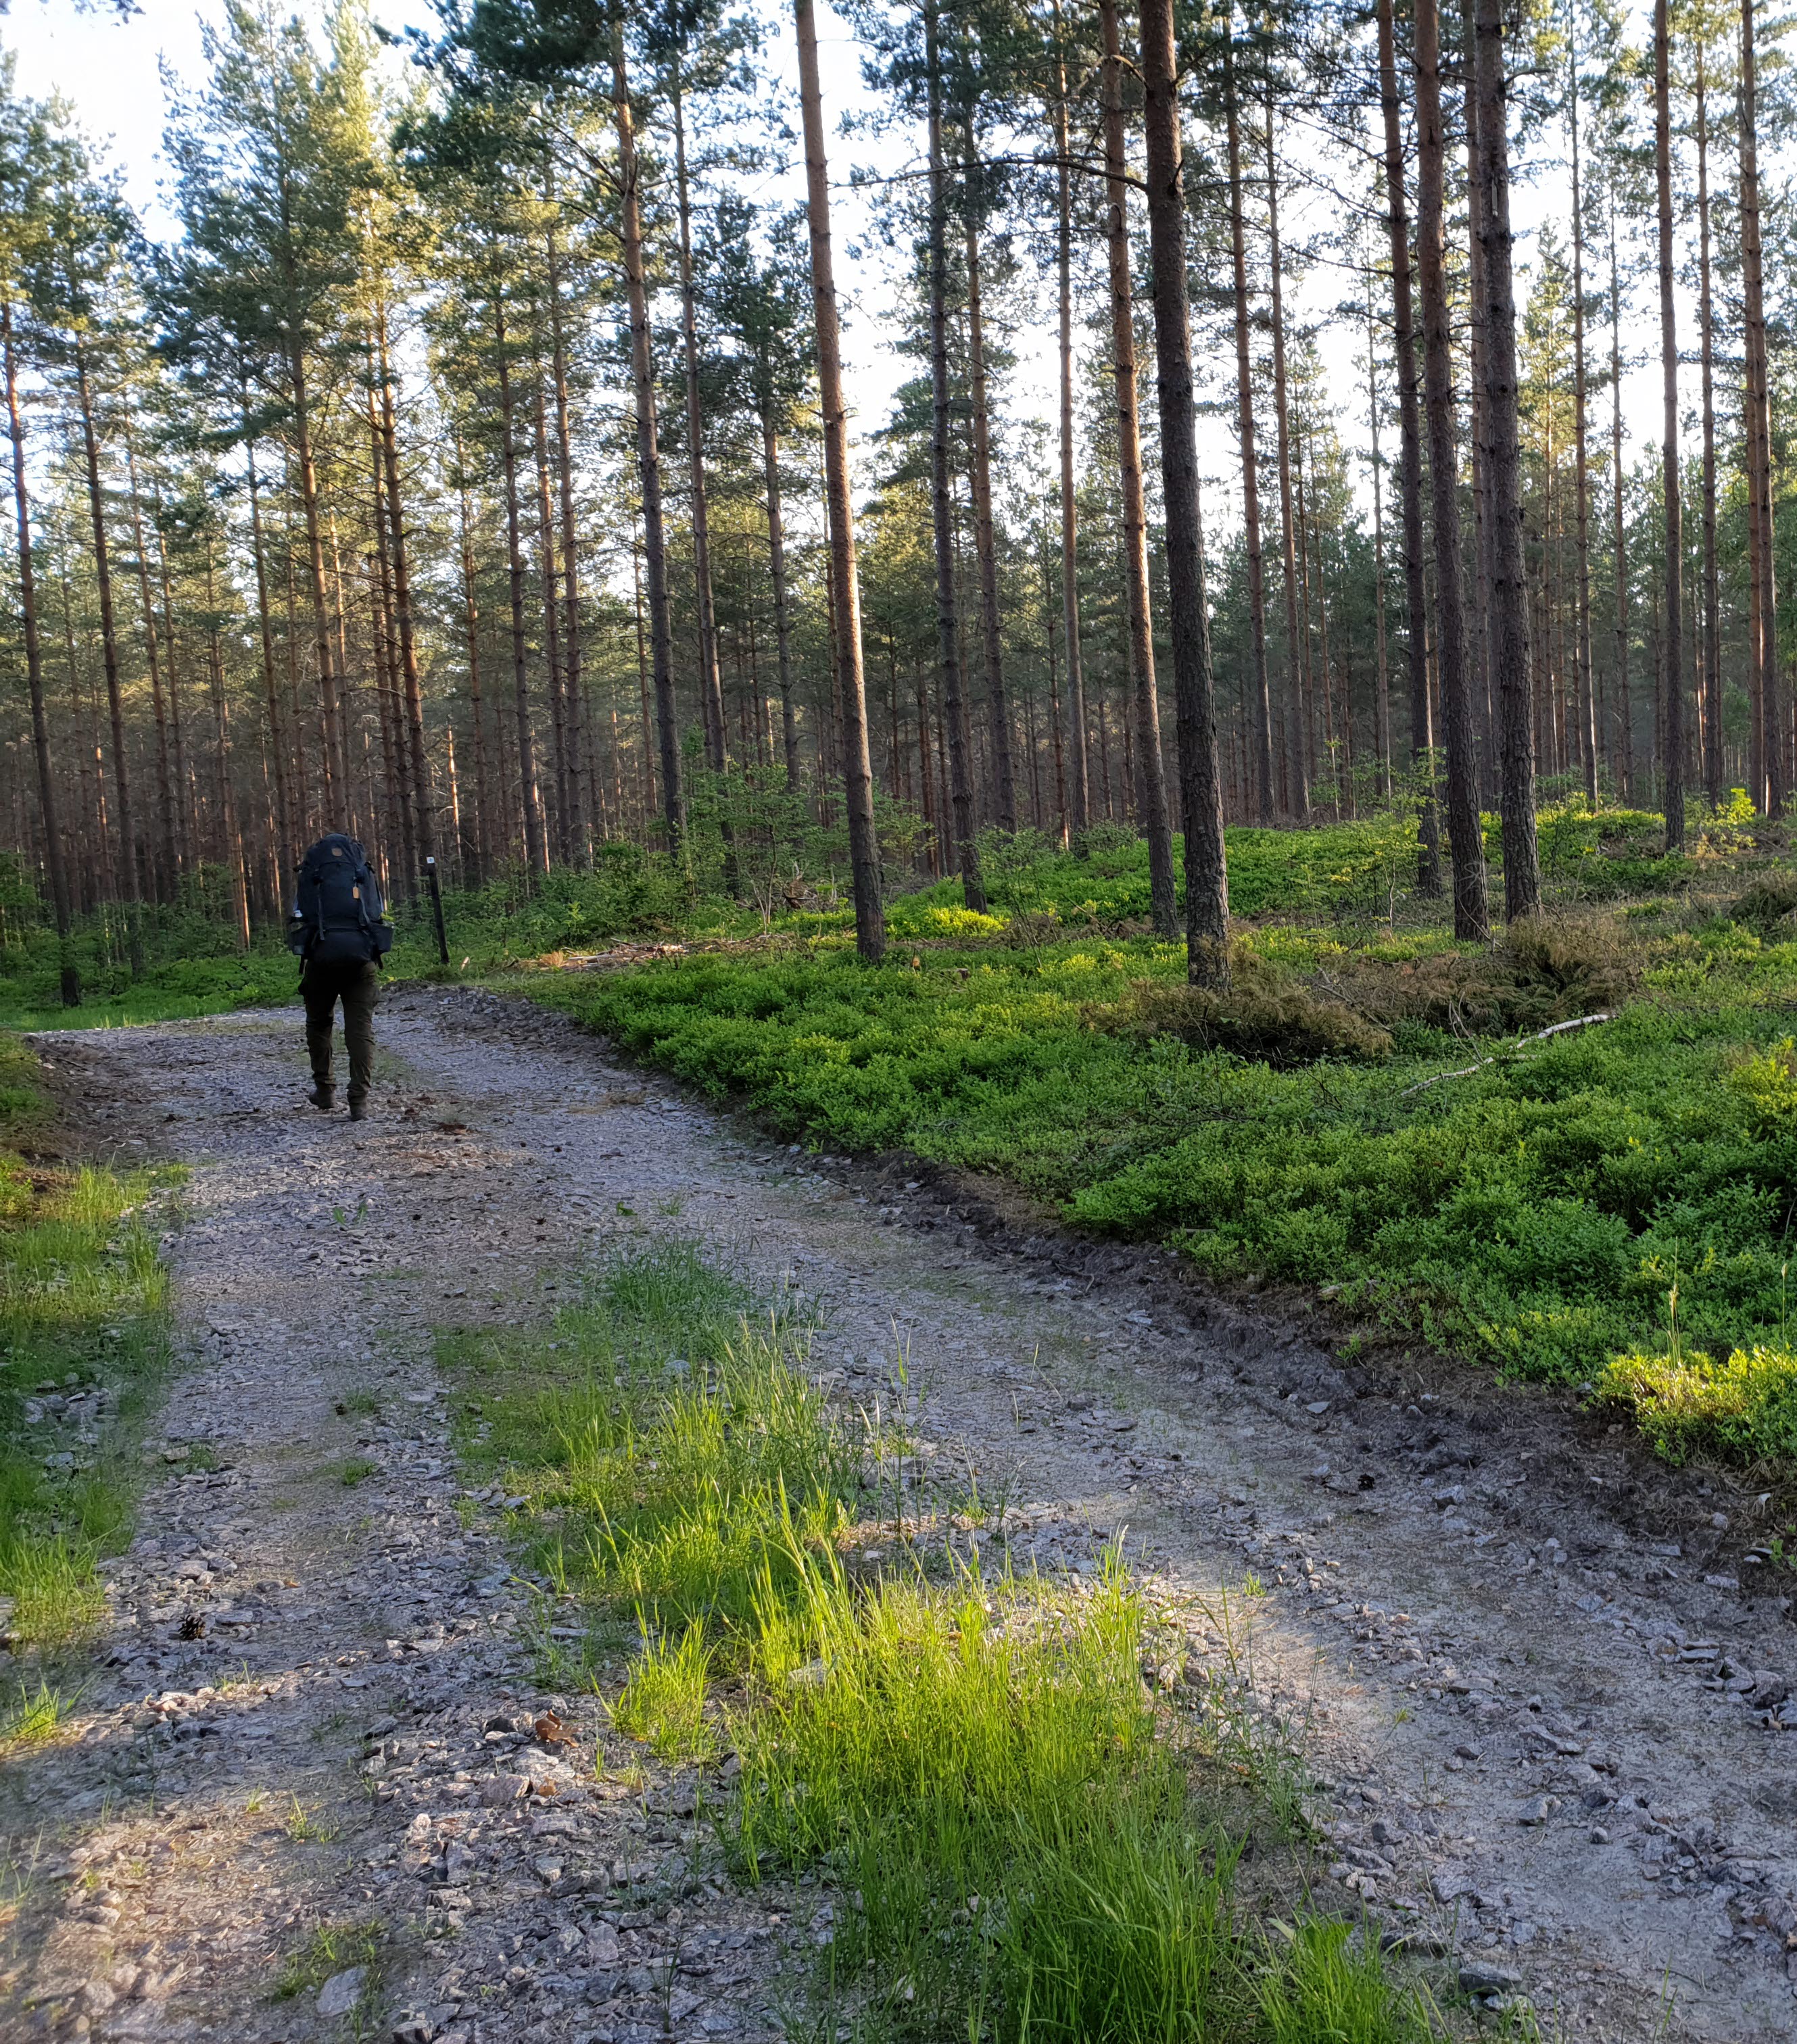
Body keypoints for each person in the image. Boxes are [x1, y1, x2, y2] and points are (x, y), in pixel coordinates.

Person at [287, 833, 393, 1122]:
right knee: (360, 1029)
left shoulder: (311, 875)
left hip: (321, 958)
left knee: (319, 1023)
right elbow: (377, 912)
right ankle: (359, 1100)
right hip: (361, 960)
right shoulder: (362, 873)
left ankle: (325, 1090)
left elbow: (298, 914)